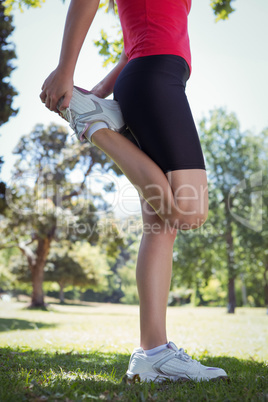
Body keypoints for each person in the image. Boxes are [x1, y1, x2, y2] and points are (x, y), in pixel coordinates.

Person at [40, 0, 228, 383]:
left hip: (152, 74)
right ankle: (92, 123)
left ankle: (152, 353)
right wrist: (66, 69)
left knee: (161, 225)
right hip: (155, 76)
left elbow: (133, 44)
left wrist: (101, 89)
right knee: (189, 210)